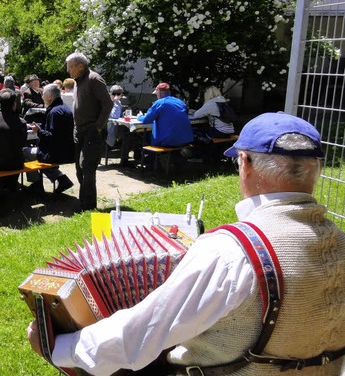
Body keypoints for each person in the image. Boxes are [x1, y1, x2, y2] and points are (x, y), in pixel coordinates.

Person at [27, 112, 345, 376]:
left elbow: (136, 338)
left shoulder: (233, 253)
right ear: (315, 171)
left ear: (244, 163)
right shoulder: (341, 242)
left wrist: (60, 348)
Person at [65, 52, 113, 211]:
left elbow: (108, 104)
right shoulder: (78, 80)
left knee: (87, 168)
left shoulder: (93, 79)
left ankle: (88, 206)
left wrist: (98, 127)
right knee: (80, 169)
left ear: (81, 66)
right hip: (79, 131)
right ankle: (83, 200)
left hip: (92, 131)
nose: (68, 70)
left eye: (70, 66)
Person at [24, 84, 74, 195]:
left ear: (50, 96)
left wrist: (38, 131)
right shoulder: (64, 108)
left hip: (55, 153)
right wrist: (40, 127)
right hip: (66, 150)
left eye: (43, 94)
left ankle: (37, 183)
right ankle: (60, 179)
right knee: (34, 155)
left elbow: (52, 137)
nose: (42, 97)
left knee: (25, 153)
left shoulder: (54, 112)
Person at [137, 82, 194, 147]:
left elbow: (146, 120)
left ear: (159, 92)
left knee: (144, 138)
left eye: (156, 94)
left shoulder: (160, 103)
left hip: (169, 141)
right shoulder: (180, 102)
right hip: (185, 140)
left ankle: (149, 156)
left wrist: (139, 116)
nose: (157, 96)